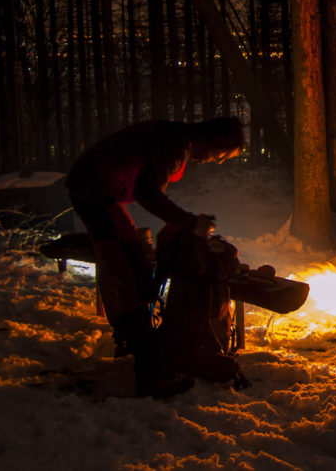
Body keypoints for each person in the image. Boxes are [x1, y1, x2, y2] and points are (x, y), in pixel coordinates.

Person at [65, 117, 245, 398]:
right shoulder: (175, 143)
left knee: (137, 272)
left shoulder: (175, 139)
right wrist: (188, 222)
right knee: (134, 282)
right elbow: (147, 192)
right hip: (95, 192)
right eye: (223, 155)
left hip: (97, 191)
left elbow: (147, 188)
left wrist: (181, 223)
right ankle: (151, 377)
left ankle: (146, 356)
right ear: (215, 142)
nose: (218, 161)